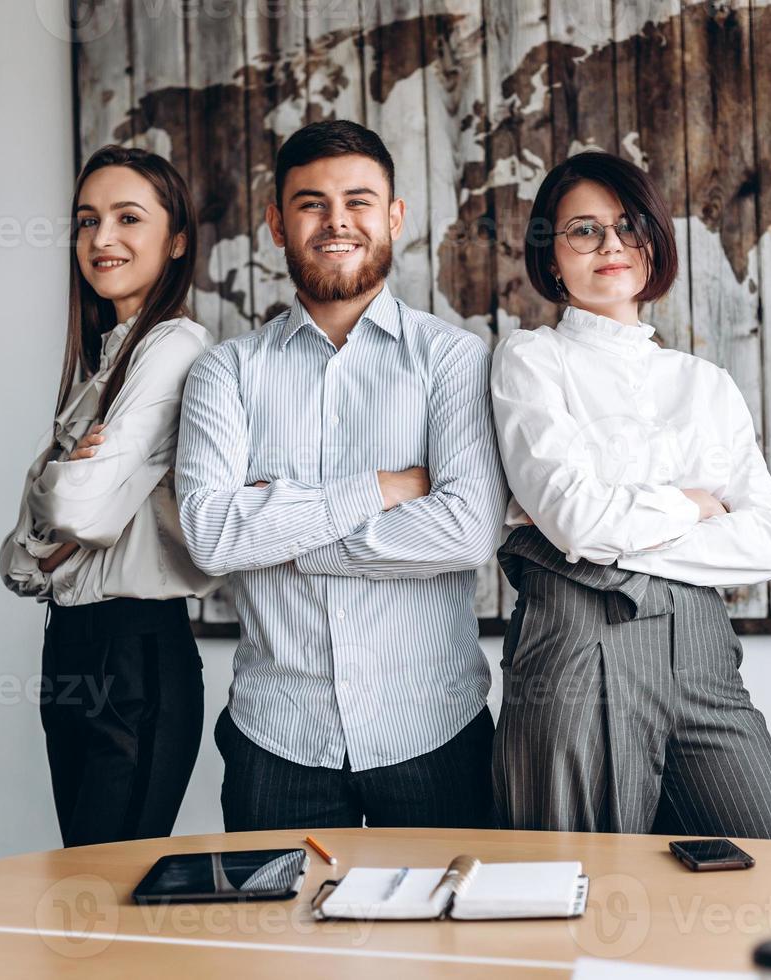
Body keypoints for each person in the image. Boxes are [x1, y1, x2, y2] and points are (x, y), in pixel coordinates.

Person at [174, 120, 507, 831]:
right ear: (276, 223)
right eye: (311, 203)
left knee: (449, 942)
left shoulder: (452, 359)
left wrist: (282, 536)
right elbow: (210, 538)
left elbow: (467, 532)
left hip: (436, 733)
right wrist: (384, 489)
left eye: (358, 201)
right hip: (276, 740)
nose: (336, 223)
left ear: (393, 217)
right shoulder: (224, 374)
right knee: (277, 943)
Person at [489, 150, 771, 841]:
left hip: (703, 654)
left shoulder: (705, 383)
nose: (612, 244)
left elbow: (763, 545)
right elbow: (577, 518)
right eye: (584, 229)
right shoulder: (531, 361)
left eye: (629, 225)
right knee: (573, 894)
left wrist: (614, 532)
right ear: (551, 258)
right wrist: (694, 504)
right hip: (581, 644)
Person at [0, 145, 220, 847]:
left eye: (129, 218)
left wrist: (48, 487)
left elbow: (76, 511)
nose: (102, 240)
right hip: (70, 644)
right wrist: (59, 494)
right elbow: (19, 567)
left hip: (135, 651)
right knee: (84, 877)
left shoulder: (175, 344)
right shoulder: (103, 359)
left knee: (111, 884)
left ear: (176, 238)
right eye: (87, 220)